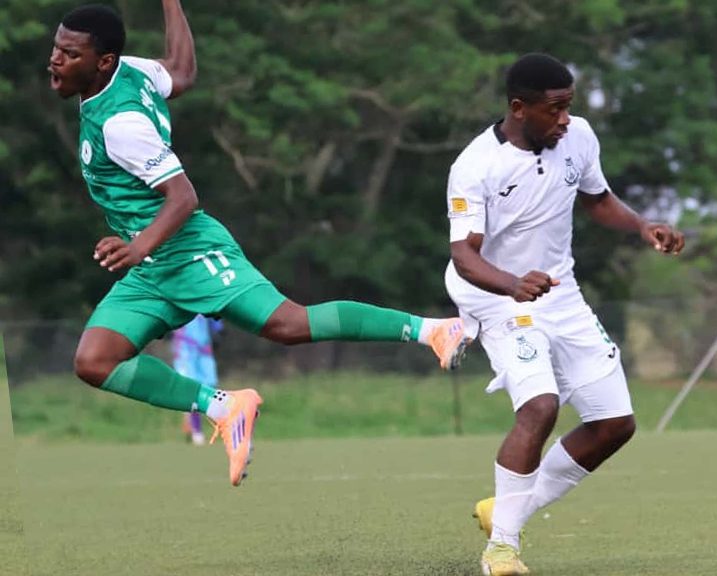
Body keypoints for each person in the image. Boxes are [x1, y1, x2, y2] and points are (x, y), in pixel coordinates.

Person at [49, 2, 470, 487]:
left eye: (69, 53)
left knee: (288, 324)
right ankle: (223, 406)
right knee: (94, 360)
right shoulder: (132, 71)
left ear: (103, 62)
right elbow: (182, 71)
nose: (55, 60)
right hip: (154, 264)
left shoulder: (121, 125)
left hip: (186, 249)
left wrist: (139, 246)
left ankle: (432, 330)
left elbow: (183, 197)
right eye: (56, 48)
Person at [444, 53, 684, 575]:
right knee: (540, 406)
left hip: (559, 290)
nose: (565, 119)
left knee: (614, 423)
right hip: (495, 294)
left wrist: (643, 226)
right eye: (555, 109)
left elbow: (597, 199)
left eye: (569, 107)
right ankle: (502, 551)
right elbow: (465, 257)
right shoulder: (474, 166)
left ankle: (507, 510)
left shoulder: (577, 137)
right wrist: (512, 284)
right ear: (519, 108)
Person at [172, 315, 223, 445]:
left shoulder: (206, 298)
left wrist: (218, 331)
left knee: (210, 391)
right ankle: (196, 432)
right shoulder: (177, 296)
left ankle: (221, 430)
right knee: (190, 391)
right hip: (184, 351)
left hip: (204, 350)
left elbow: (216, 319)